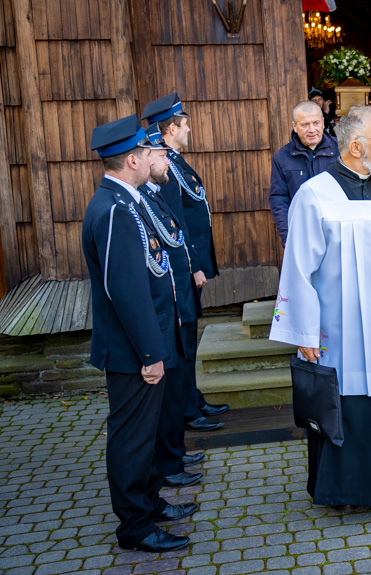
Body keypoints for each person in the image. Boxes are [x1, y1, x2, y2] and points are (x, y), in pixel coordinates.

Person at [269, 106, 371, 516]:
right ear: (357, 146)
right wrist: (303, 333)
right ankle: (342, 488)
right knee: (344, 407)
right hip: (339, 331)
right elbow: (299, 266)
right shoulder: (315, 194)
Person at [83, 115, 196, 553]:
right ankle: (135, 526)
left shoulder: (126, 202)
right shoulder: (113, 210)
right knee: (131, 439)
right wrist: (151, 353)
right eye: (149, 153)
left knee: (144, 435)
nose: (156, 157)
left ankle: (150, 500)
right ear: (132, 159)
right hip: (132, 353)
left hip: (145, 347)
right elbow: (126, 292)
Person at [141, 93, 229, 433]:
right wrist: (194, 266)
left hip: (193, 263)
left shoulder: (174, 162)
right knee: (185, 341)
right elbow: (174, 222)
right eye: (185, 124)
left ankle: (193, 398)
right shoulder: (166, 168)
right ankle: (188, 408)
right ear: (170, 129)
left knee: (190, 340)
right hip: (185, 267)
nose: (189, 129)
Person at [140, 124, 206, 488]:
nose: (168, 161)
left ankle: (173, 455)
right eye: (162, 155)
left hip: (175, 303)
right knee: (163, 398)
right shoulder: (135, 202)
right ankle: (168, 462)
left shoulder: (154, 195)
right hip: (163, 313)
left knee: (175, 384)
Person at [269, 101, 339, 245]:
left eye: (316, 123)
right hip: (302, 234)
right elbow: (279, 198)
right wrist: (288, 237)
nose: (312, 129)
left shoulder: (341, 150)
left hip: (337, 232)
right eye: (305, 124)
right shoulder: (282, 157)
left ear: (323, 123)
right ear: (295, 127)